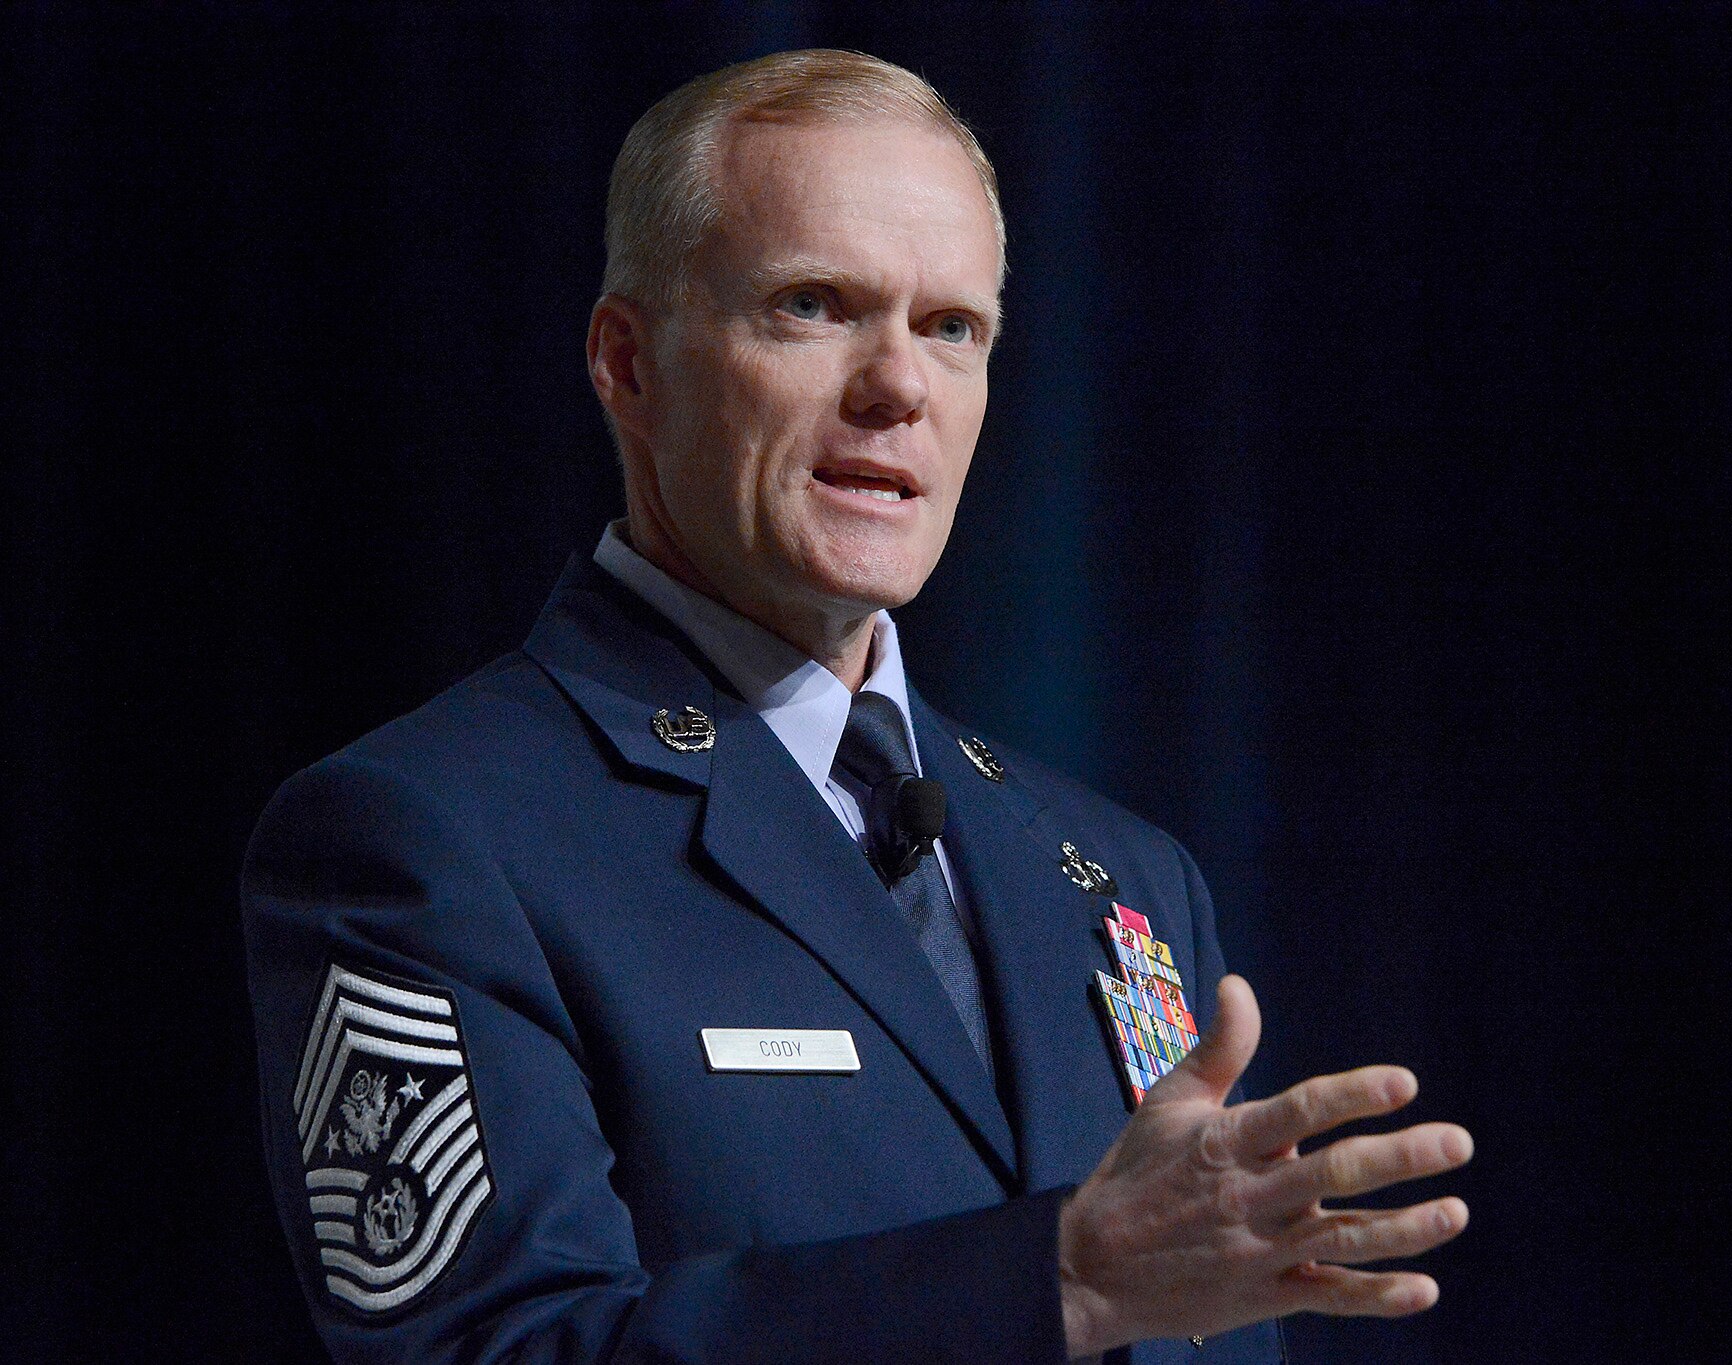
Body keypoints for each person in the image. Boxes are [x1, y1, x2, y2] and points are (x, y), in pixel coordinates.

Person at [242, 49, 1472, 1364]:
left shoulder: (1120, 875)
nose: (900, 387)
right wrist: (1053, 1280)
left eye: (952, 328)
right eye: (815, 305)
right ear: (627, 362)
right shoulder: (425, 838)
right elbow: (497, 1352)